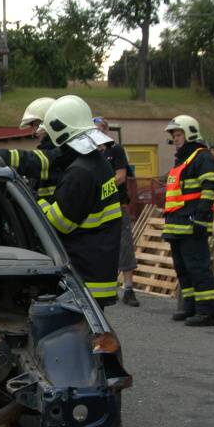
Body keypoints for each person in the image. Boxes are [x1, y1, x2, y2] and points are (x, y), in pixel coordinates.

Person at [35, 95, 123, 307]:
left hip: (84, 275)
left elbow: (59, 224)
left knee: (79, 337)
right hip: (98, 267)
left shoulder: (79, 173)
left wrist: (37, 200)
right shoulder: (98, 163)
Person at [163, 115, 214, 327]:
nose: (176, 139)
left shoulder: (202, 157)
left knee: (198, 268)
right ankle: (190, 307)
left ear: (190, 133)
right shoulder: (183, 160)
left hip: (192, 223)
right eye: (174, 135)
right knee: (183, 268)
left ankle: (206, 312)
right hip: (177, 224)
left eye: (179, 134)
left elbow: (210, 187)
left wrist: (201, 216)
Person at [95, 116, 140, 307]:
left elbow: (121, 177)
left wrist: (98, 188)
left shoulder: (116, 150)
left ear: (106, 131)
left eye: (99, 129)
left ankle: (129, 289)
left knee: (124, 246)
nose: (96, 133)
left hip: (117, 205)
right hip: (98, 208)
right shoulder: (91, 153)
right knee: (102, 247)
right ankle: (107, 288)